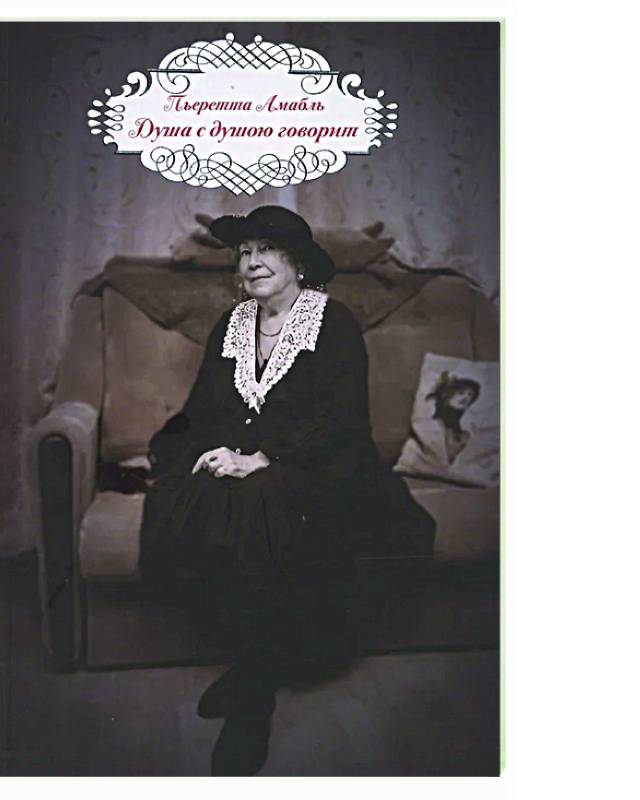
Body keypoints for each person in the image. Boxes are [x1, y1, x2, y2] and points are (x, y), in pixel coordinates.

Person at [139, 205, 435, 775]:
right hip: (249, 465)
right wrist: (210, 452)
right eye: (244, 252)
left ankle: (252, 696)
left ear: (297, 262)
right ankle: (258, 667)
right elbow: (206, 409)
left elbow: (341, 420)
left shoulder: (333, 323)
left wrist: (263, 457)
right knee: (208, 492)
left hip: (324, 467)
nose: (252, 262)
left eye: (267, 249)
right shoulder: (231, 325)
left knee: (262, 499)